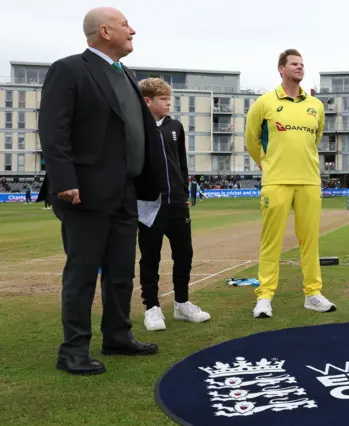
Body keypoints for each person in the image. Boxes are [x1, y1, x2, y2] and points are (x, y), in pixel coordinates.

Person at [38, 7, 163, 375]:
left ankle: (117, 336)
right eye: (126, 25)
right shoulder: (70, 69)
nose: (133, 30)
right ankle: (73, 349)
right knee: (82, 273)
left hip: (125, 191)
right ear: (105, 32)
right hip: (85, 191)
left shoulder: (126, 75)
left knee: (121, 270)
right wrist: (64, 180)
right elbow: (53, 127)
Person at [245, 48, 336, 318]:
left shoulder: (316, 106)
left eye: (302, 64)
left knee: (310, 241)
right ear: (281, 69)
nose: (300, 67)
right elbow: (251, 140)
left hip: (309, 181)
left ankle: (313, 293)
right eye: (294, 64)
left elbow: (314, 140)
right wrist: (266, 163)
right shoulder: (264, 103)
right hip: (276, 181)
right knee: (271, 241)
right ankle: (264, 296)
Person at [136, 78, 211, 331]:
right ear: (148, 101)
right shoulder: (136, 126)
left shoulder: (175, 126)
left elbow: (181, 163)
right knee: (150, 257)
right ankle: (152, 308)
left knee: (184, 255)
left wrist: (184, 192)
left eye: (170, 98)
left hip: (178, 202)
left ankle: (182, 304)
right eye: (163, 99)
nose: (169, 102)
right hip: (149, 205)